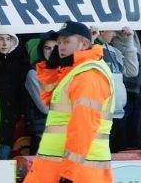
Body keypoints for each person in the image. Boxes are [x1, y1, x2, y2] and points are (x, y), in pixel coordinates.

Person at [25, 21, 114, 182]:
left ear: (84, 43)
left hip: (77, 171)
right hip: (62, 168)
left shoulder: (88, 75)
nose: (60, 47)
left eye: (66, 42)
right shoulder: (75, 72)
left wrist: (69, 174)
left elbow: (83, 127)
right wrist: (51, 67)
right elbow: (48, 99)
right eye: (59, 43)